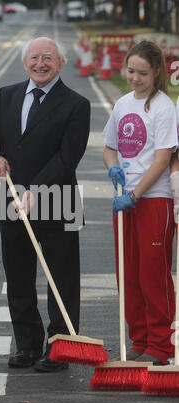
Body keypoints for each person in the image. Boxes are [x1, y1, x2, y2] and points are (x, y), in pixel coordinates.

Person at [0, 37, 90, 372]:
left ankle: (60, 346)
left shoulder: (76, 104)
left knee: (60, 278)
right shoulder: (7, 96)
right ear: (25, 63)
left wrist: (37, 189)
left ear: (61, 64)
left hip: (58, 198)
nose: (41, 64)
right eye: (34, 57)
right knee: (19, 275)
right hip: (12, 196)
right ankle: (26, 345)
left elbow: (69, 157)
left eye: (48, 58)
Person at [103, 40, 178, 365]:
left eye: (142, 73)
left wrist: (135, 194)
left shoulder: (163, 107)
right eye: (130, 71)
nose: (134, 78)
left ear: (157, 72)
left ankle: (162, 344)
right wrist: (112, 168)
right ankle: (140, 339)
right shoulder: (122, 104)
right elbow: (109, 148)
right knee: (128, 274)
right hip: (124, 201)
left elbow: (162, 159)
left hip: (153, 200)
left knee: (153, 273)